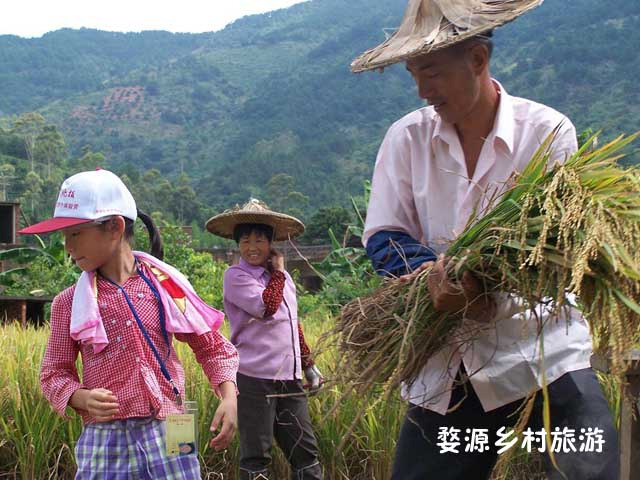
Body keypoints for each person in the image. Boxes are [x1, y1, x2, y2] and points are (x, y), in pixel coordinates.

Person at [351, 0, 619, 479]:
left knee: (588, 468)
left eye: (431, 73)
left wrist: (482, 288)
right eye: (414, 74)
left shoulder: (547, 131)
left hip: (542, 346)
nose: (422, 90)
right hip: (449, 357)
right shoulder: (406, 138)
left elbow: (554, 246)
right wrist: (433, 278)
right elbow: (385, 235)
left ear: (477, 59)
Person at [19, 169, 239, 479]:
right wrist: (82, 398)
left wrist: (229, 398)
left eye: (75, 234)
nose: (67, 246)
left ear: (115, 227)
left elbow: (212, 347)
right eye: (65, 236)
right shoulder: (69, 303)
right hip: (105, 434)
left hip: (173, 422)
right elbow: (54, 373)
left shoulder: (166, 286)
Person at [206, 199, 323, 480]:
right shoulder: (236, 276)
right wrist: (279, 272)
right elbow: (266, 307)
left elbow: (291, 324)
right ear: (238, 244)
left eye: (259, 240)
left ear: (271, 242)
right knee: (256, 455)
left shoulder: (283, 279)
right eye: (245, 241)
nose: (252, 247)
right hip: (254, 378)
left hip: (289, 378)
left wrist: (308, 364)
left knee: (305, 452)